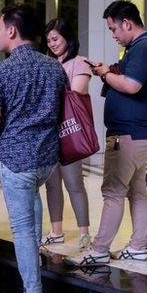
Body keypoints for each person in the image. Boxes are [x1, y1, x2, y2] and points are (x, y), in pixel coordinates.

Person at [0, 3, 68, 293]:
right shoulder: (53, 67)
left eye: (0, 28)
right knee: (31, 218)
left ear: (12, 31)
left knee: (22, 228)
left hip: (17, 160)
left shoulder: (0, 71)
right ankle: (34, 283)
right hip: (47, 159)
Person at [67, 0, 147, 267]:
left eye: (113, 29)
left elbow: (131, 85)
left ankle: (99, 250)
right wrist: (107, 71)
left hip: (129, 134)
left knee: (113, 191)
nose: (114, 35)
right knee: (137, 190)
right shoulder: (140, 47)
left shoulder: (143, 47)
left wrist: (106, 74)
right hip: (138, 133)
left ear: (127, 23)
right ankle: (139, 246)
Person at [42, 17, 93, 249]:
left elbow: (77, 93)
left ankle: (84, 233)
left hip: (68, 132)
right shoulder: (47, 63)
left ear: (67, 38)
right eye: (48, 40)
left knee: (74, 184)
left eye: (56, 39)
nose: (51, 44)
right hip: (48, 133)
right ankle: (56, 230)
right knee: (52, 185)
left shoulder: (79, 63)